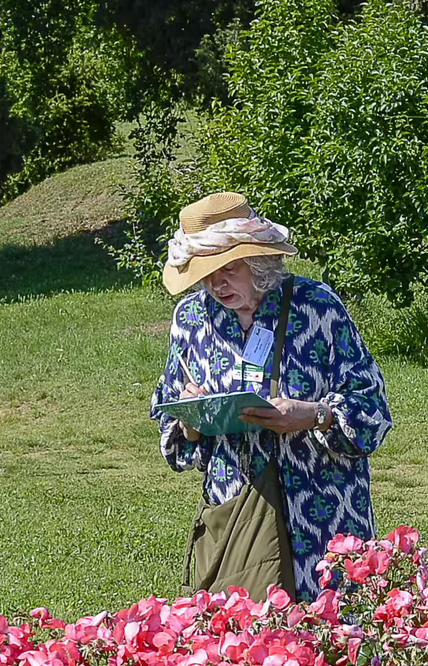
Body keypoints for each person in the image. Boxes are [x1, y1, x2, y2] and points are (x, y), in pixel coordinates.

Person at [152, 192, 393, 600]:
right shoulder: (191, 319)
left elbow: (372, 408)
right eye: (205, 273)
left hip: (324, 522)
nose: (216, 284)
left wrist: (315, 415)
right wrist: (191, 423)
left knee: (330, 631)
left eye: (228, 268)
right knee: (244, 637)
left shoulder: (317, 307)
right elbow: (169, 419)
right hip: (238, 520)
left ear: (258, 261)